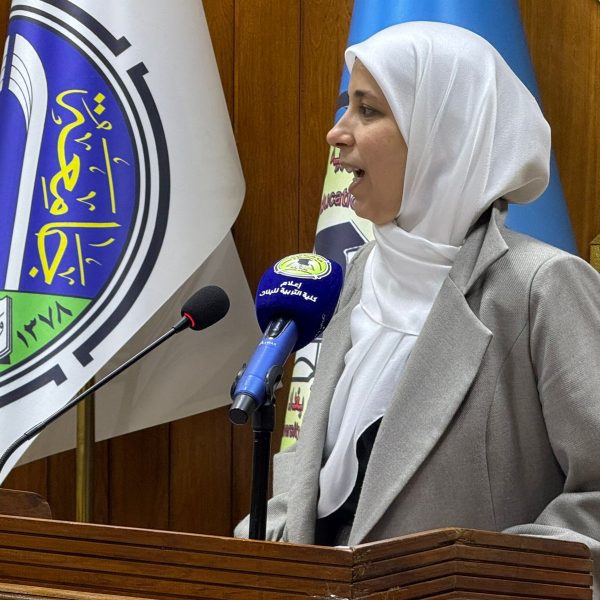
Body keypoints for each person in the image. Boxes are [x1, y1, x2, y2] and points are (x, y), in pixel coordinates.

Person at [235, 21, 600, 595]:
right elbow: (318, 484)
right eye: (346, 106)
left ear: (444, 133)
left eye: (368, 110)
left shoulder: (540, 287)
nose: (337, 132)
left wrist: (480, 581)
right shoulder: (358, 273)